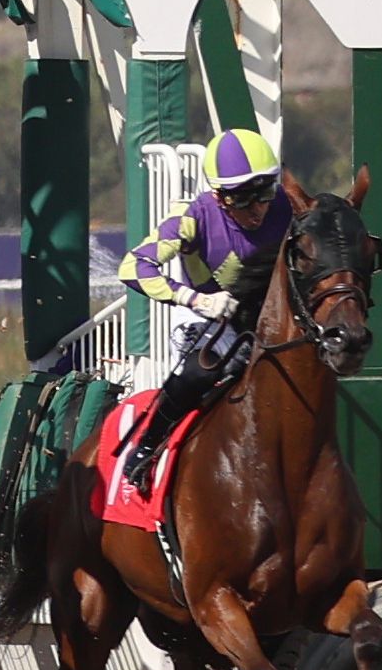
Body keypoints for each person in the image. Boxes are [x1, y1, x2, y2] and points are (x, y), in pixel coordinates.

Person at [107, 130, 302, 493]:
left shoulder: (287, 206)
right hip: (208, 317)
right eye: (242, 199)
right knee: (202, 371)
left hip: (266, 317)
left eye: (263, 193)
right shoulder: (191, 216)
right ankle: (146, 448)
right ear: (218, 195)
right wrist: (196, 300)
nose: (257, 210)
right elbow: (133, 267)